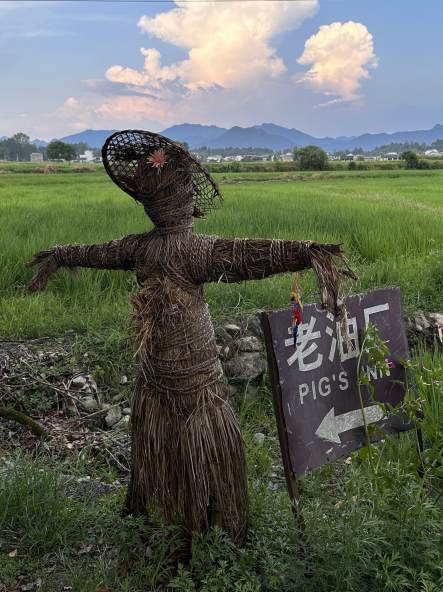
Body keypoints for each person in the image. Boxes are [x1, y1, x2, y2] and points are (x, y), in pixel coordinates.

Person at [28, 129, 352, 545]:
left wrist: (59, 253)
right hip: (180, 379)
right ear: (185, 199)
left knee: (186, 447)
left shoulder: (145, 249)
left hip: (171, 378)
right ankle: (202, 530)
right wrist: (308, 251)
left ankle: (191, 526)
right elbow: (251, 253)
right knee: (185, 446)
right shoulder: (189, 250)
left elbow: (95, 251)